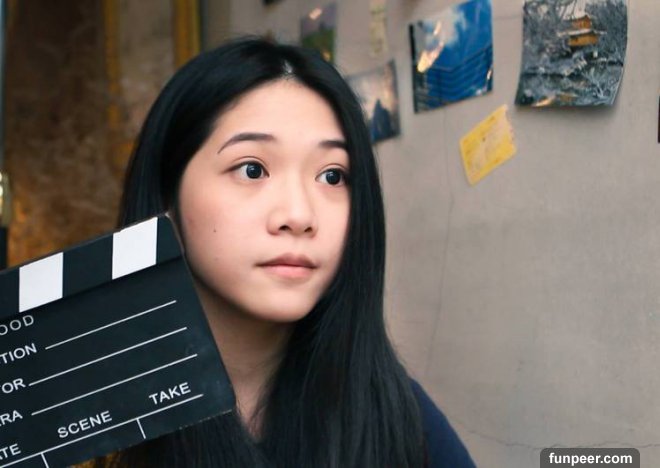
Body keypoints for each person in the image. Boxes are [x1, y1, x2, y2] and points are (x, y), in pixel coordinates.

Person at [95, 37, 475, 468]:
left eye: (332, 176)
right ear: (168, 200)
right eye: (252, 169)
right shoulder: (89, 426)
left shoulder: (398, 416)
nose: (298, 215)